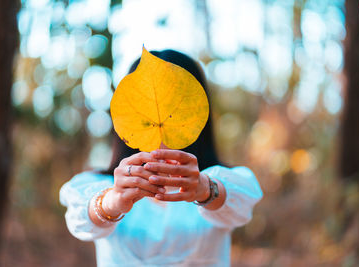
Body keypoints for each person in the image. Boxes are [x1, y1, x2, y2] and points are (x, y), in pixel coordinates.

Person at [59, 49, 263, 266]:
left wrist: (205, 189)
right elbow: (81, 217)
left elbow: (240, 202)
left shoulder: (221, 182)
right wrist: (113, 201)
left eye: (175, 105)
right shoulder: (98, 185)